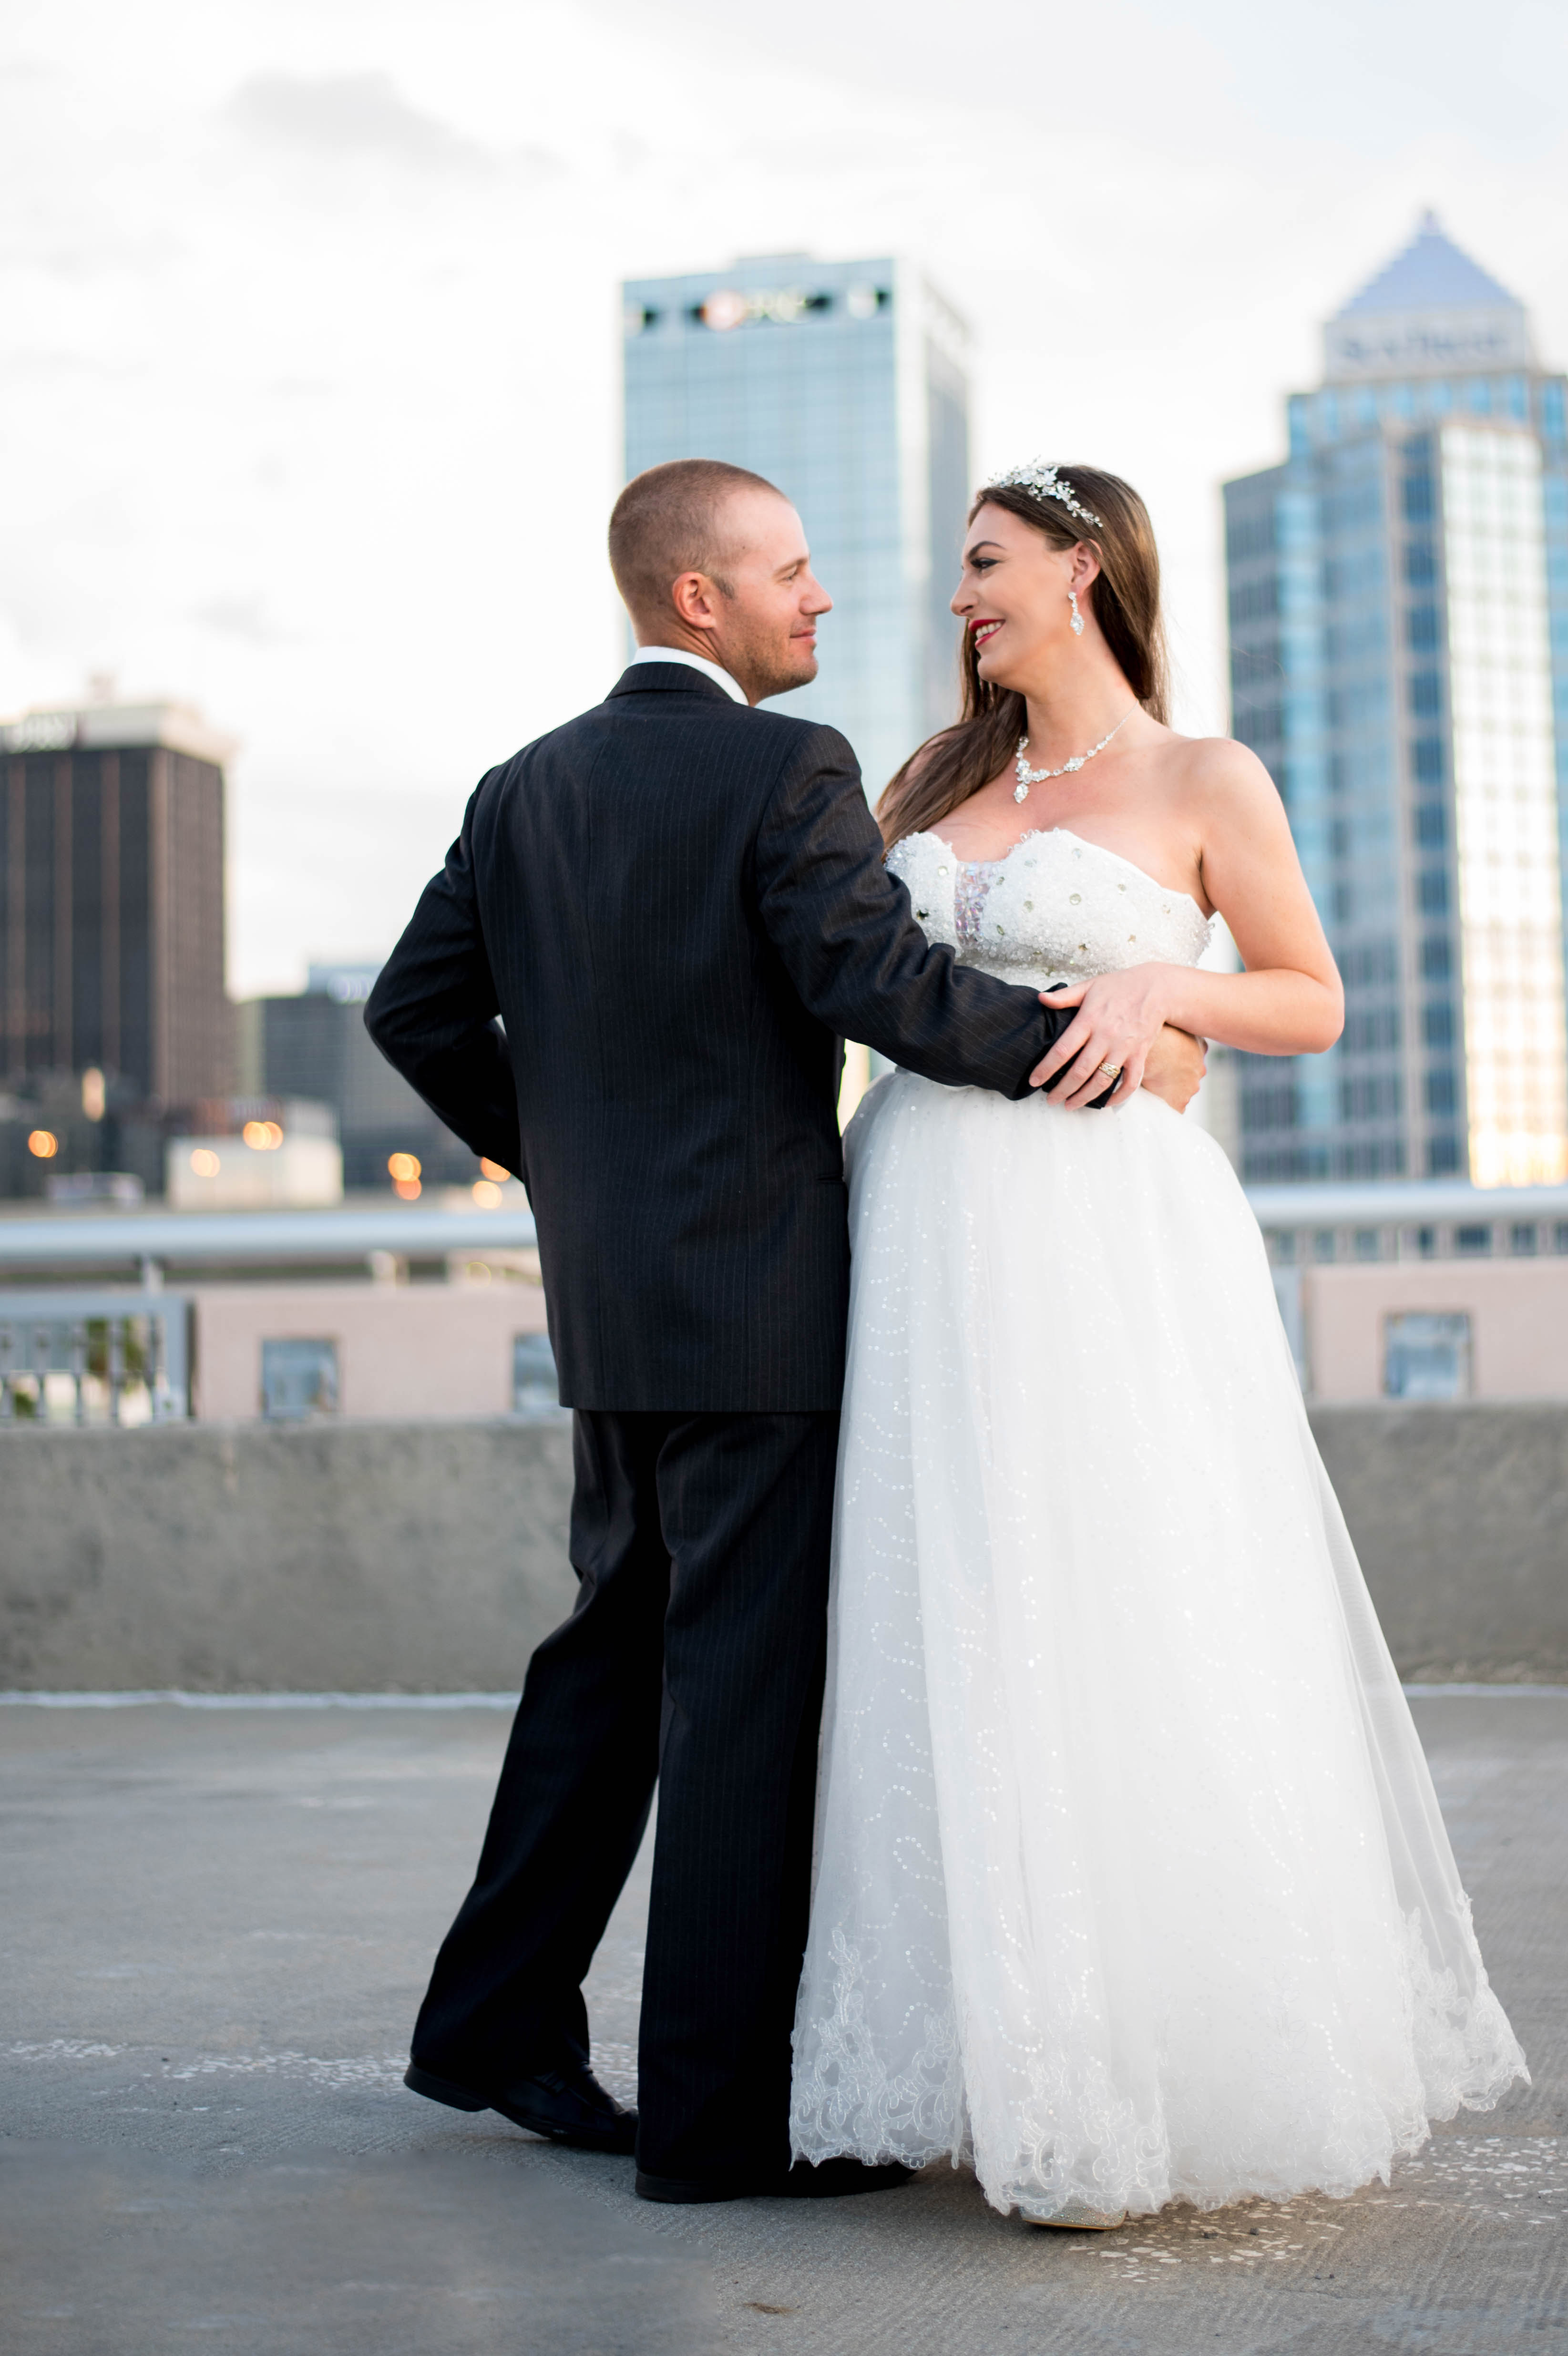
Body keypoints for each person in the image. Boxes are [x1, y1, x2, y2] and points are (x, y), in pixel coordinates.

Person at [363, 456, 1205, 2206]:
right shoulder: (785, 767)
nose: (822, 601)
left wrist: (570, 1159)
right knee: (735, 1698)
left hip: (610, 1306)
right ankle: (712, 2128)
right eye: (794, 574)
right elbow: (869, 983)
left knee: (609, 1657)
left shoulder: (522, 789)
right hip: (758, 1302)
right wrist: (1073, 1048)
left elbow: (413, 1008)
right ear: (702, 599)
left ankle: (494, 2020)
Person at [789, 458, 1528, 2228]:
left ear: (1084, 569)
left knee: (1106, 1601)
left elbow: (1311, 995)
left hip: (1097, 1246)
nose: (957, 598)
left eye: (985, 565)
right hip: (912, 1230)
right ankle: (963, 2057)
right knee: (932, 1613)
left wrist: (1163, 992)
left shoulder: (1207, 777)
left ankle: (1125, 2065)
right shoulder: (928, 781)